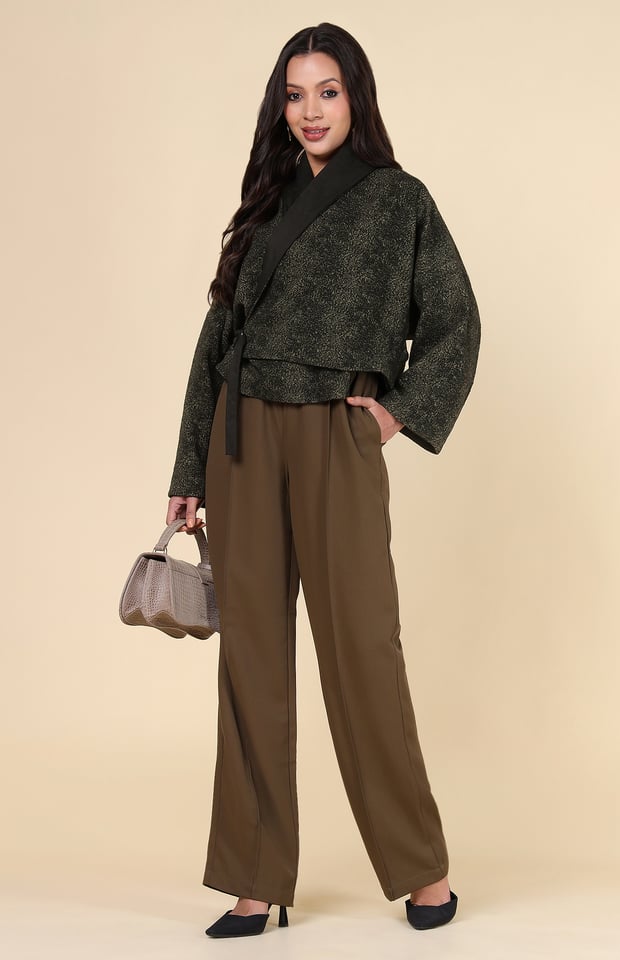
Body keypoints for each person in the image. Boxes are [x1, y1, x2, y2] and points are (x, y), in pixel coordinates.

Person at [166, 22, 480, 938]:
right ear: (281, 107)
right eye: (295, 95)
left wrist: (392, 415)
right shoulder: (264, 209)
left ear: (356, 98)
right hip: (242, 439)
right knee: (251, 657)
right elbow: (216, 342)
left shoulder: (398, 200)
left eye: (328, 92)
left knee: (363, 651)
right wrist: (188, 466)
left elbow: (456, 321)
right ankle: (255, 880)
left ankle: (422, 869)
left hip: (335, 436)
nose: (310, 111)